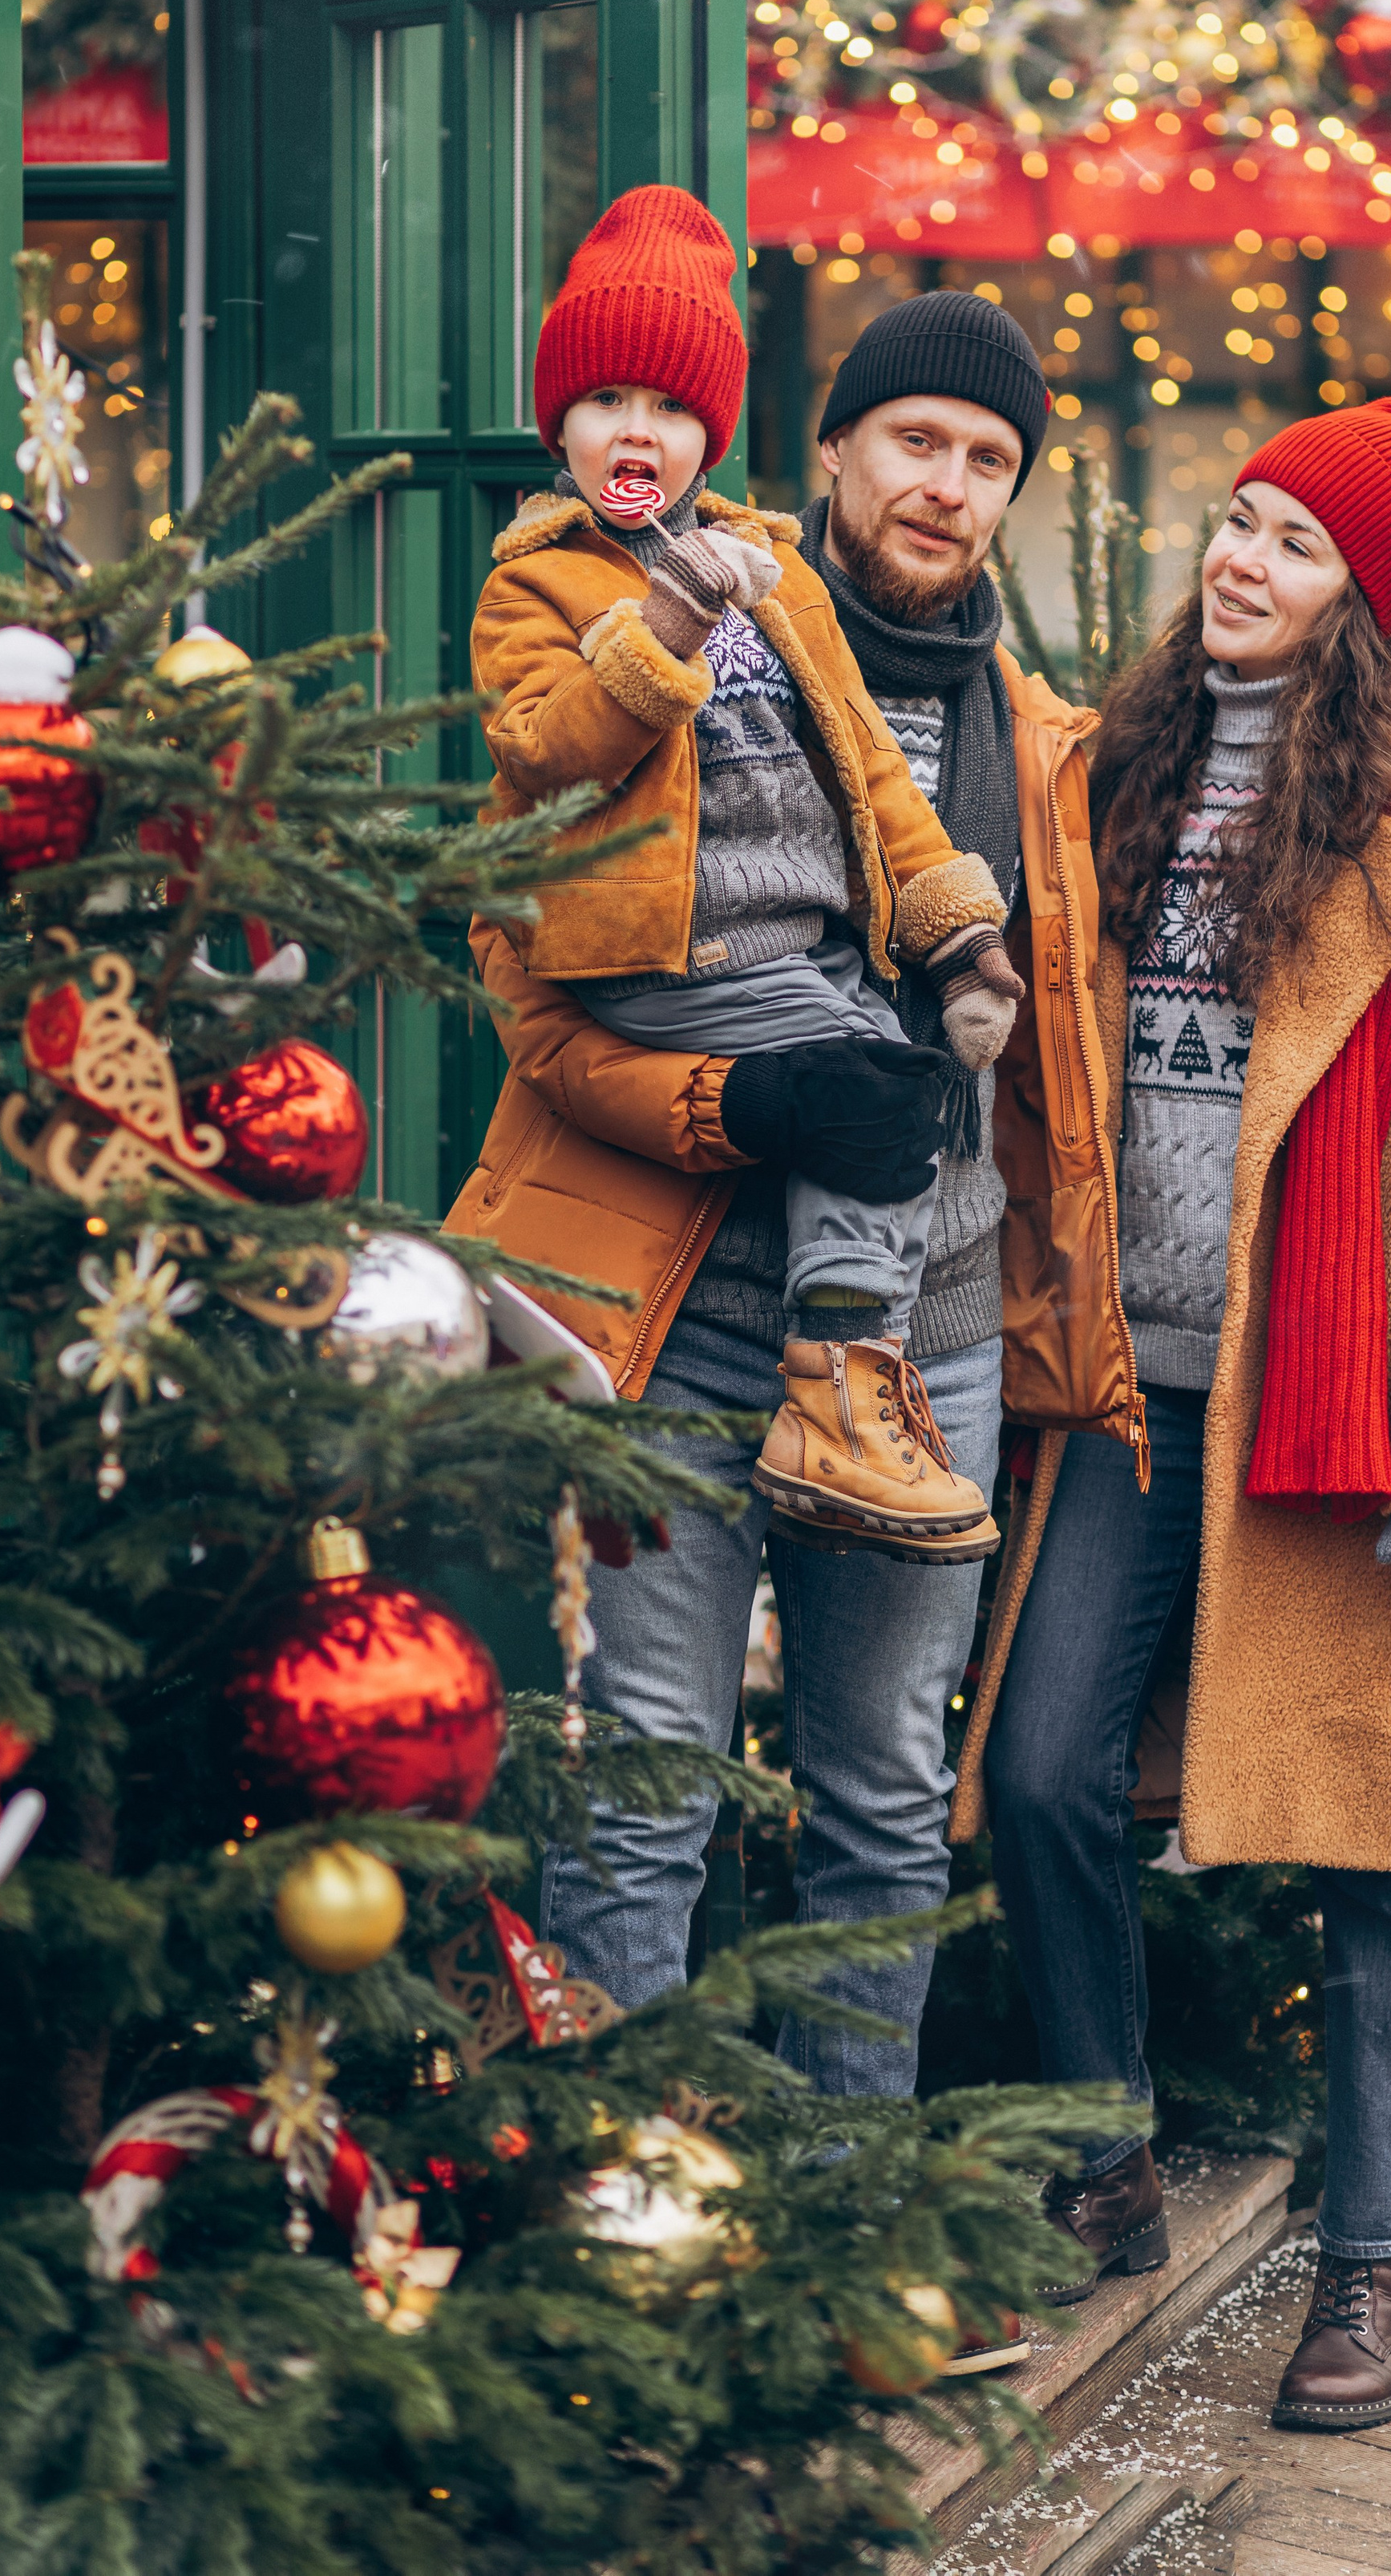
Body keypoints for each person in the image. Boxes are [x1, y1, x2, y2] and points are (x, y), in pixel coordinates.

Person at [949, 386, 1391, 2433]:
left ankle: (1373, 2267)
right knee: (1037, 1773)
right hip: (1129, 1387)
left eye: (1294, 543)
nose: (1239, 559)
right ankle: (1108, 2146)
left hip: (1336, 1405)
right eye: (1233, 521)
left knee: (1383, 1844)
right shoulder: (1098, 769)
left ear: (1359, 599)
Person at [445, 265, 1097, 2114]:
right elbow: (550, 1029)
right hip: (675, 1309)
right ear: (822, 454)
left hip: (930, 1339)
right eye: (913, 438)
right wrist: (752, 1101)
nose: (946, 482)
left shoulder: (1037, 749)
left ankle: (844, 2225)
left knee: (886, 1801)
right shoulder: (639, 630)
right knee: (648, 1778)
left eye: (987, 456)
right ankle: (628, 2210)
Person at [486, 188, 1022, 1555]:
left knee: (885, 1082)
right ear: (561, 430)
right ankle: (840, 1386)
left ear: (709, 435)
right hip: (663, 959)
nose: (636, 431)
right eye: (605, 400)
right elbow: (546, 751)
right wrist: (665, 621)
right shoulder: (536, 584)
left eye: (668, 408)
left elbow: (871, 777)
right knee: (867, 1089)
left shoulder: (770, 570)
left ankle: (843, 1376)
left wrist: (959, 933)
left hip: (786, 953)